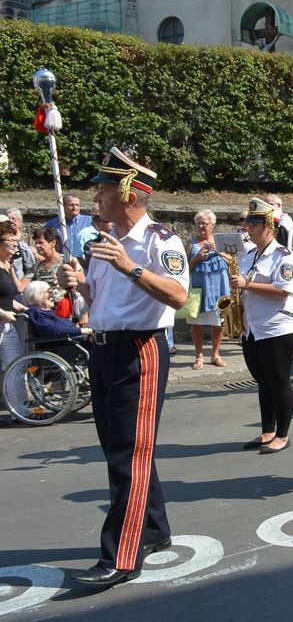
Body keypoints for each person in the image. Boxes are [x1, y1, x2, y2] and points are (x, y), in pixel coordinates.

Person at [58, 147, 189, 587]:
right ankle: (153, 528)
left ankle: (122, 554)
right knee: (121, 446)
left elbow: (177, 296)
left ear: (130, 192)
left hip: (142, 348)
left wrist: (131, 267)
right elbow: (100, 303)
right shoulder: (102, 244)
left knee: (128, 454)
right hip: (104, 348)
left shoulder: (160, 240)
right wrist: (77, 285)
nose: (95, 194)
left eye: (104, 187)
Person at [231, 198, 293, 454]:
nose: (247, 227)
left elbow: (282, 291)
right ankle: (267, 430)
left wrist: (246, 285)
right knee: (263, 381)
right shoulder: (249, 255)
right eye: (247, 221)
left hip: (278, 328)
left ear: (269, 226)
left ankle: (282, 435)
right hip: (253, 327)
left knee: (279, 380)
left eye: (253, 222)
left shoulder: (286, 256)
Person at [187, 210, 230, 369]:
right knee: (196, 323)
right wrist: (197, 258)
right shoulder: (192, 244)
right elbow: (184, 268)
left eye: (204, 223)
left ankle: (215, 354)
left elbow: (232, 261)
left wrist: (218, 251)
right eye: (198, 223)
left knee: (219, 322)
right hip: (198, 288)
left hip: (219, 287)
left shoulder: (221, 241)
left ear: (212, 225)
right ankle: (199, 356)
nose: (200, 226)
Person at [0, 221, 30, 373]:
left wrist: (27, 309)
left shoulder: (6, 265)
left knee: (15, 366)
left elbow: (6, 298)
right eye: (10, 240)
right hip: (2, 318)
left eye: (15, 240)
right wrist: (2, 313)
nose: (15, 244)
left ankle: (17, 398)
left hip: (5, 325)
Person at [30, 227, 78, 321]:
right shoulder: (36, 267)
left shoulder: (68, 261)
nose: (37, 246)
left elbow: (81, 284)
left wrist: (83, 313)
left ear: (53, 243)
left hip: (67, 311)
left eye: (41, 242)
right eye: (36, 243)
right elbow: (21, 286)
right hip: (46, 313)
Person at [22, 280, 92, 338]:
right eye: (49, 292)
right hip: (62, 346)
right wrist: (80, 331)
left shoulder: (53, 310)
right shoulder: (35, 312)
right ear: (35, 296)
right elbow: (54, 329)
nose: (53, 295)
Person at [44, 193, 93, 258]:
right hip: (62, 262)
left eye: (77, 205)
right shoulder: (53, 224)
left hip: (85, 263)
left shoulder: (90, 222)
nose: (74, 208)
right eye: (71, 205)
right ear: (62, 206)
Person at [5, 208, 37, 280]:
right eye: (8, 219)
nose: (10, 221)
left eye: (14, 219)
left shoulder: (28, 238)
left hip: (26, 274)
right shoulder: (3, 238)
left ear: (20, 222)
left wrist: (34, 252)